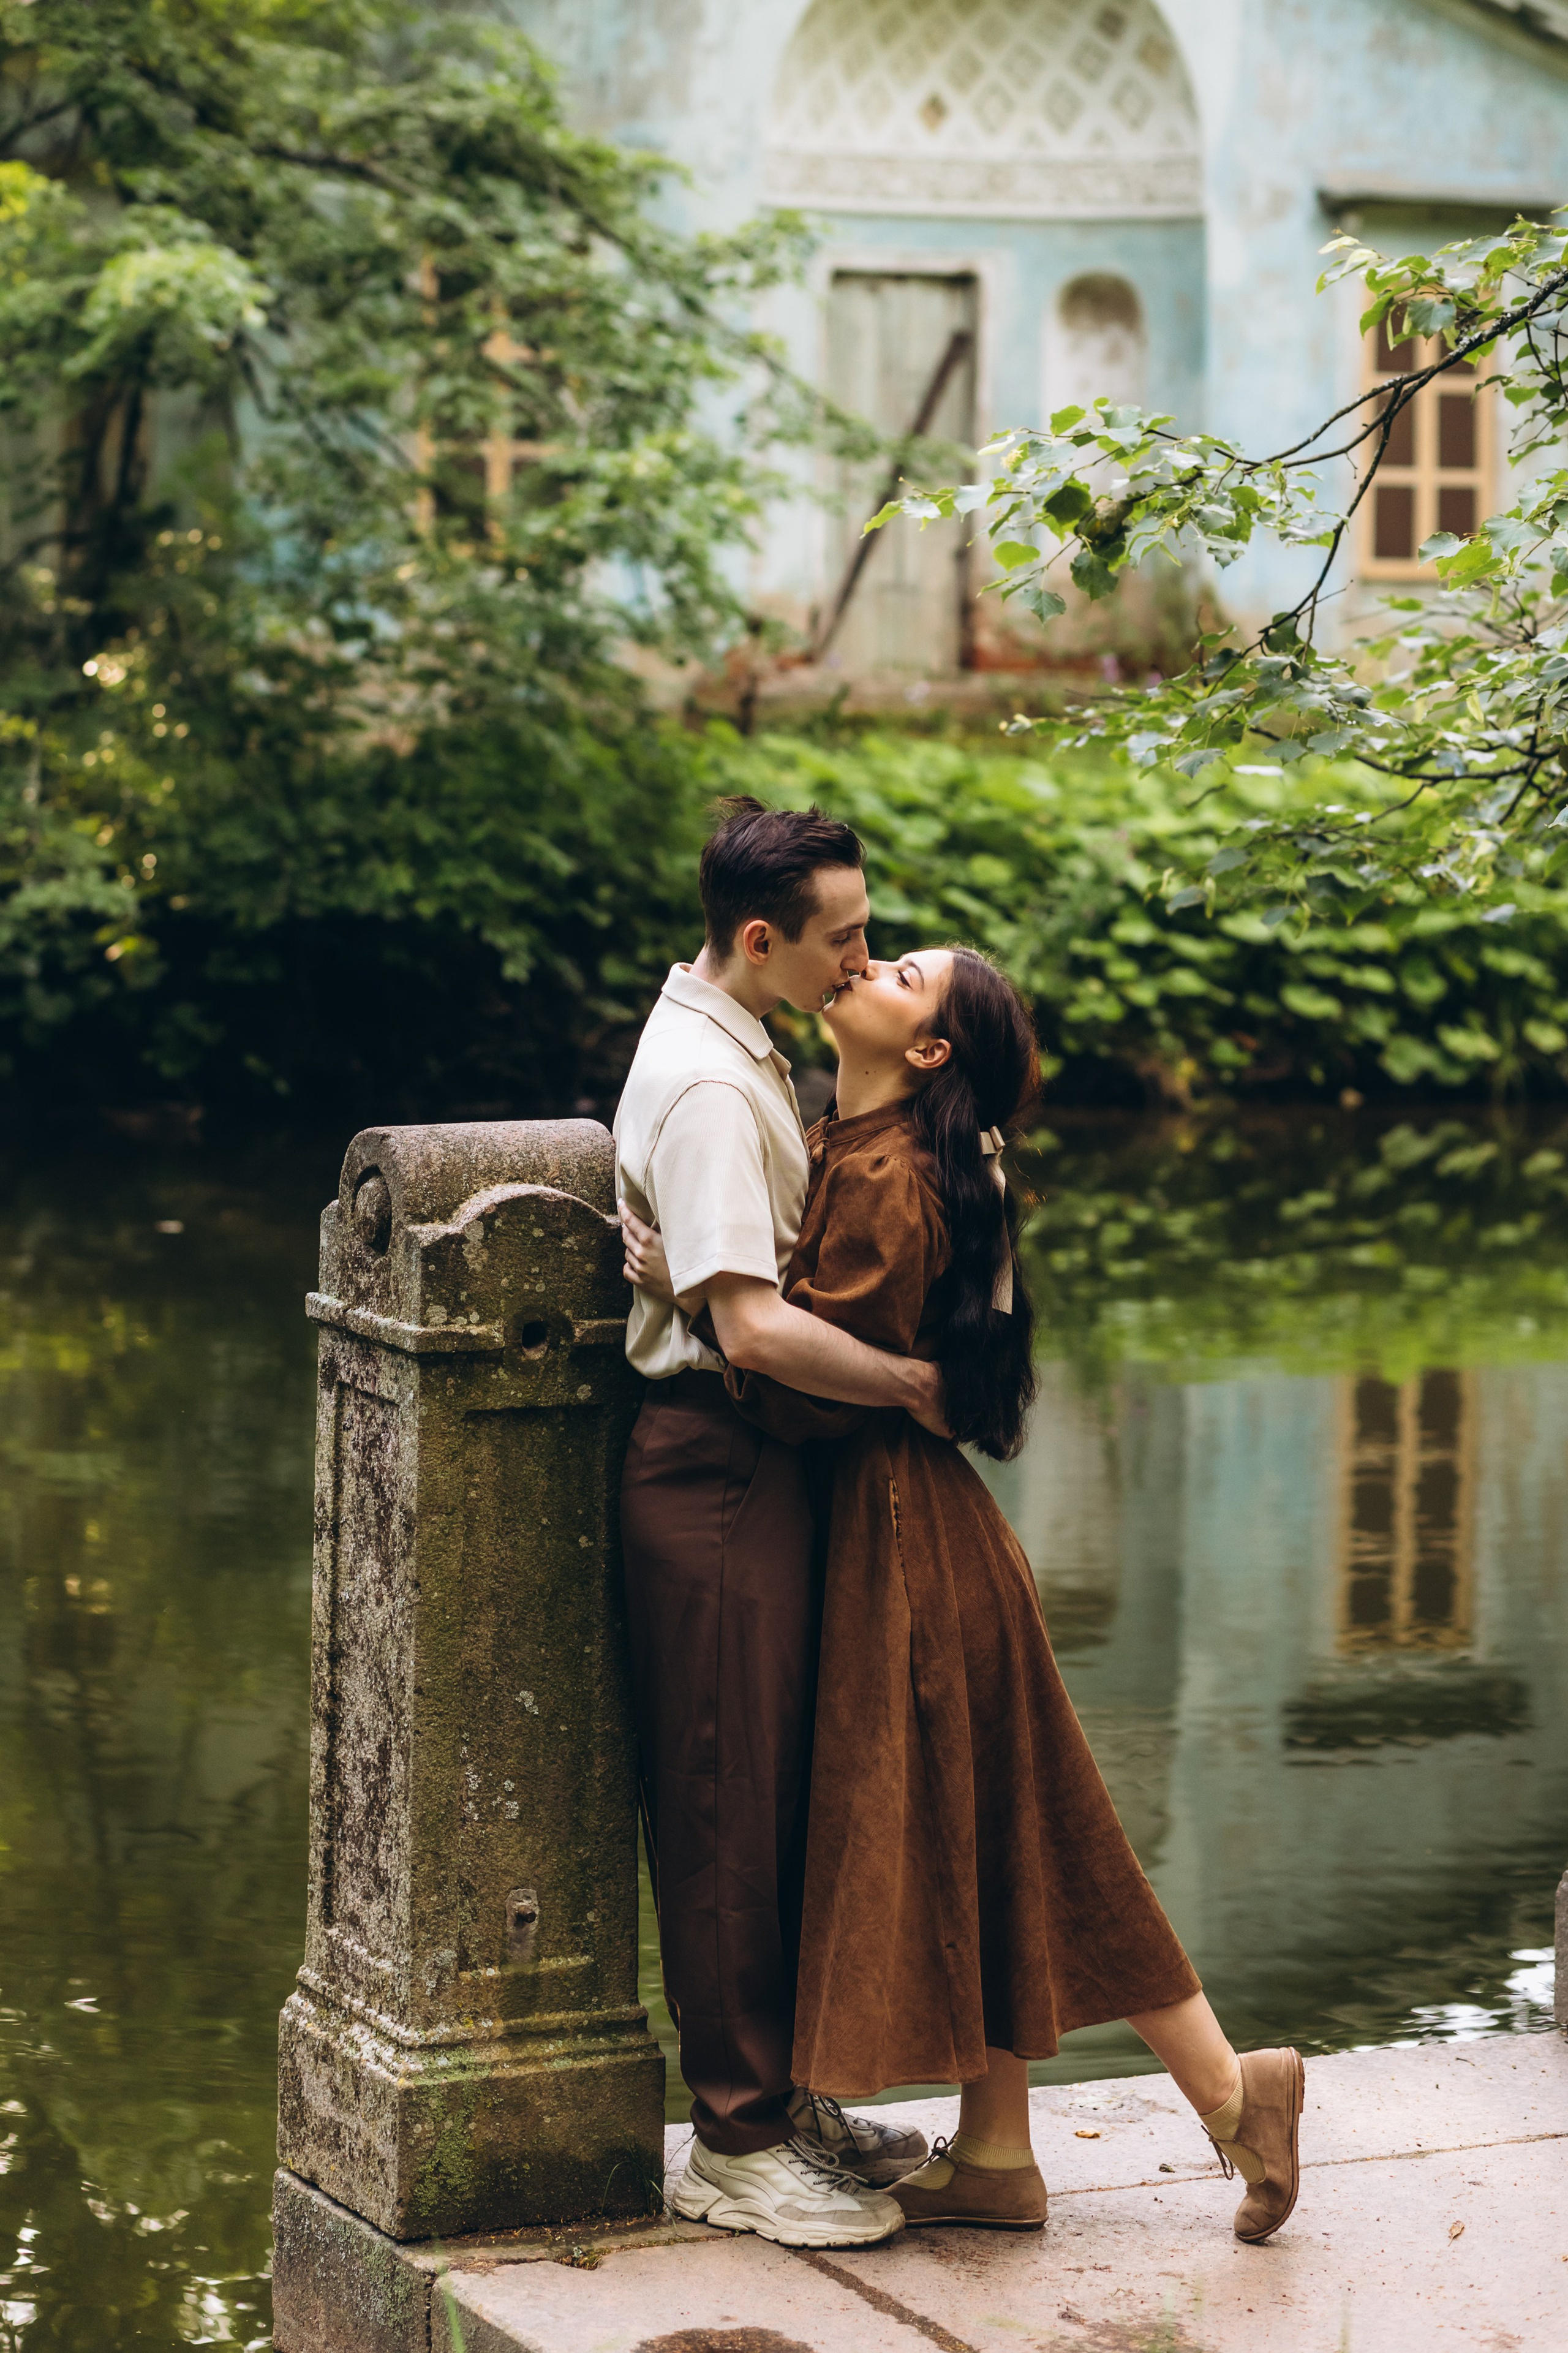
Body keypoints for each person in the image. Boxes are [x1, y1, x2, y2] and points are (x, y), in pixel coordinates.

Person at [624, 943, 1305, 2246]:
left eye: (902, 971)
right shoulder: (871, 1138)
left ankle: (1232, 2092)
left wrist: (699, 1298)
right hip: (922, 1533)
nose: (866, 964)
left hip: (907, 1540)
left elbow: (803, 1388)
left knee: (1037, 1832)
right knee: (991, 1828)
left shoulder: (887, 1172)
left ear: (928, 1048)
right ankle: (997, 2149)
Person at [612, 798, 938, 2253]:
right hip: (716, 1466)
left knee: (782, 1791)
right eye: (844, 940)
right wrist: (921, 1389)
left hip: (758, 1470)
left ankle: (781, 2099)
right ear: (762, 941)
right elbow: (749, 1330)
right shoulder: (700, 1082)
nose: (860, 962)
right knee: (726, 1807)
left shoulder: (741, 1053)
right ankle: (732, 2143)